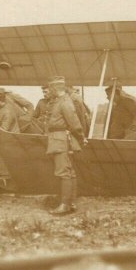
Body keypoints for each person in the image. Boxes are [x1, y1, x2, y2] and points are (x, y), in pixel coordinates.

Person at [45, 76, 85, 215]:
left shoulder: (64, 102)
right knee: (69, 172)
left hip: (61, 141)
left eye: (50, 89)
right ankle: (71, 203)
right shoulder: (60, 101)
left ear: (55, 88)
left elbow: (74, 122)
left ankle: (65, 205)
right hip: (60, 140)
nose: (48, 91)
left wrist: (80, 137)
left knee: (64, 173)